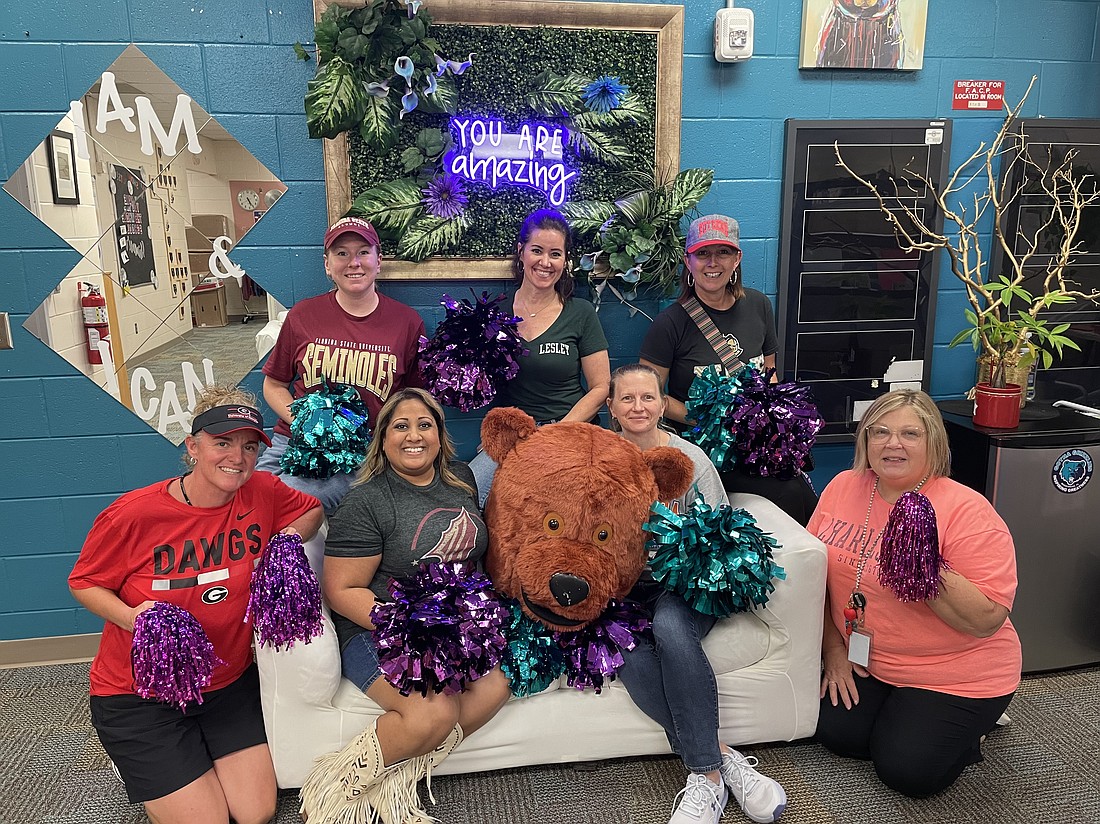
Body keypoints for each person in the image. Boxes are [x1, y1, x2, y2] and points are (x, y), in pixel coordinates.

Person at [69, 386, 324, 824]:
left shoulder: (262, 490)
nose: (237, 457)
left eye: (248, 446)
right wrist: (134, 617)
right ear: (192, 447)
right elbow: (85, 583)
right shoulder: (134, 514)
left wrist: (285, 541)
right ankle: (146, 758)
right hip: (141, 695)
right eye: (222, 443)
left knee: (256, 812)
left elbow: (312, 509)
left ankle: (187, 762)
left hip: (226, 684)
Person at [309, 387, 512, 822]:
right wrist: (409, 625)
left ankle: (398, 783)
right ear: (383, 439)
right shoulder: (366, 500)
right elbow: (342, 590)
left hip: (453, 630)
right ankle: (334, 792)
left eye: (425, 425)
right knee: (431, 713)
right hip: (377, 629)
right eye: (400, 426)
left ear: (440, 435)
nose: (413, 435)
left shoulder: (461, 479)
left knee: (496, 687)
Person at [808, 389, 1021, 797]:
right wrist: (834, 653)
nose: (893, 443)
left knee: (908, 772)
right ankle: (907, 718)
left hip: (956, 671)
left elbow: (986, 620)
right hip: (869, 658)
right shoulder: (843, 486)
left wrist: (922, 566)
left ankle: (975, 729)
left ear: (933, 442)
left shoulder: (968, 510)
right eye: (880, 432)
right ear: (866, 441)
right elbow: (815, 580)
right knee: (837, 735)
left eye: (910, 434)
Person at [608, 364, 787, 824]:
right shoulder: (603, 461)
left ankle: (704, 779)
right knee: (620, 646)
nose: (638, 407)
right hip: (625, 590)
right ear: (611, 407)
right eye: (627, 399)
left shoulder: (691, 459)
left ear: (663, 403)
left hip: (686, 587)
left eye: (647, 397)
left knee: (669, 627)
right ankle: (720, 759)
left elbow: (723, 536)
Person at [639, 213, 817, 525]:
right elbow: (649, 397)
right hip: (708, 448)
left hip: (754, 446)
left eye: (723, 252)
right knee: (788, 494)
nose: (713, 263)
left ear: (737, 259)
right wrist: (709, 421)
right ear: (688, 261)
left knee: (805, 492)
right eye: (703, 253)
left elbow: (769, 376)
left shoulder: (759, 306)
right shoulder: (669, 324)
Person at [257, 216, 426, 513]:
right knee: (246, 503)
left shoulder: (407, 322)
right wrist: (306, 425)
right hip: (293, 441)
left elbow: (414, 400)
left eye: (363, 252)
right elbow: (274, 383)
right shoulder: (303, 315)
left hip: (362, 451)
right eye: (342, 253)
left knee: (289, 503)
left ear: (378, 260)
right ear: (327, 264)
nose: (354, 262)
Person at [470, 208, 610, 505]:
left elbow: (601, 387)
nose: (545, 262)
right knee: (468, 496)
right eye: (537, 251)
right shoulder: (494, 312)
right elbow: (478, 384)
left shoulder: (580, 312)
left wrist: (559, 432)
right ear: (521, 252)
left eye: (555, 254)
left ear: (565, 261)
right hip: (513, 437)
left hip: (570, 431)